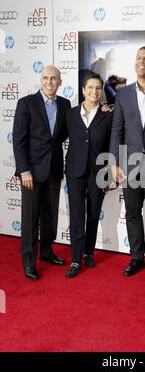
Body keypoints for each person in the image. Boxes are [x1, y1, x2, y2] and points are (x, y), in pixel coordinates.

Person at [109, 46, 145, 278]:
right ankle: (136, 257)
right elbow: (117, 129)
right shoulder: (122, 94)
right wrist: (114, 161)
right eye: (138, 58)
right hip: (130, 165)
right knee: (132, 213)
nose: (142, 62)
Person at [13, 65, 71, 280]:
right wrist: (24, 170)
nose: (49, 82)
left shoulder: (65, 104)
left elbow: (65, 133)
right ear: (41, 80)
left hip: (54, 169)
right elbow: (18, 141)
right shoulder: (26, 103)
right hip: (32, 172)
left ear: (60, 82)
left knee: (50, 216)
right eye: (46, 78)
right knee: (30, 219)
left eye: (53, 78)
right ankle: (29, 262)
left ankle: (46, 253)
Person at [65, 72, 112, 278]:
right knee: (76, 215)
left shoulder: (108, 115)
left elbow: (113, 144)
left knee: (93, 214)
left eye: (98, 88)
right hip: (75, 171)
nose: (94, 91)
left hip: (98, 171)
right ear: (83, 90)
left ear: (102, 91)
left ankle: (88, 252)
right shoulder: (70, 114)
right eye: (90, 88)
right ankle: (75, 259)